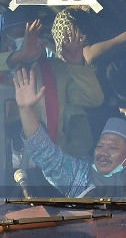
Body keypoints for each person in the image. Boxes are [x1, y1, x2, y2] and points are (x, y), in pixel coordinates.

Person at [12, 66, 126, 201]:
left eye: (113, 148)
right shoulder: (81, 176)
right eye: (100, 146)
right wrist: (26, 109)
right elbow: (43, 152)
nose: (103, 152)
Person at [0, 10, 105, 160]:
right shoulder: (4, 67)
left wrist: (77, 64)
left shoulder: (58, 70)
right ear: (5, 39)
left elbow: (94, 99)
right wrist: (18, 57)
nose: (27, 40)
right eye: (19, 35)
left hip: (52, 165)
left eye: (32, 33)